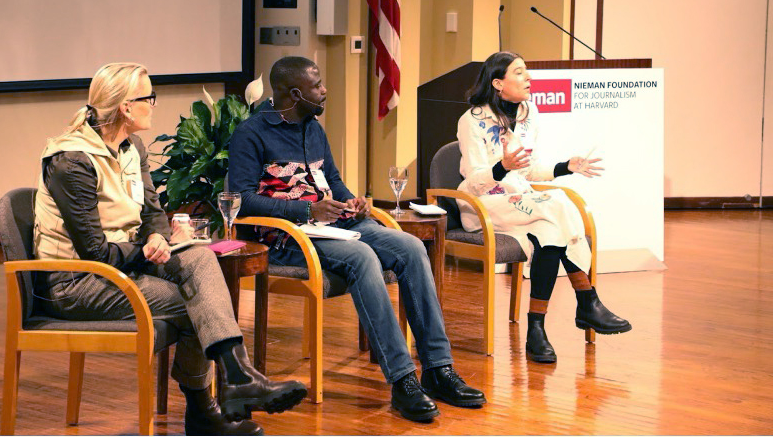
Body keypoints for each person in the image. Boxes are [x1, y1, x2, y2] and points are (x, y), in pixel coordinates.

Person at [33, 63, 306, 436]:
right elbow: (94, 253)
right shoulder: (72, 162)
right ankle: (210, 404)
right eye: (149, 97)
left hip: (121, 266)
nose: (153, 104)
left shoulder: (131, 146)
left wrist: (157, 236)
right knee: (199, 300)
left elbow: (152, 211)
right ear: (126, 107)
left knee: (199, 259)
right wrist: (146, 250)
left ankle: (232, 384)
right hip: (75, 282)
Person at [227, 56, 487, 423]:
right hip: (286, 238)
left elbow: (331, 181)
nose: (325, 90)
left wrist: (353, 201)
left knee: (412, 247)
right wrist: (306, 212)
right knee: (362, 256)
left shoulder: (313, 128)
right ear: (297, 92)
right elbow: (241, 200)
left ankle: (438, 369)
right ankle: (402, 380)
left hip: (332, 225)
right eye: (318, 86)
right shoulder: (251, 133)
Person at [455, 51, 632, 364]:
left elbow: (529, 171)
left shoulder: (527, 112)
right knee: (558, 203)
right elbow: (475, 180)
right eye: (520, 73)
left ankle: (536, 330)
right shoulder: (471, 121)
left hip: (521, 199)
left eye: (527, 71)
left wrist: (568, 166)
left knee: (551, 230)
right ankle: (587, 301)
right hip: (484, 202)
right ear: (498, 83)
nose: (529, 78)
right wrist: (501, 166)